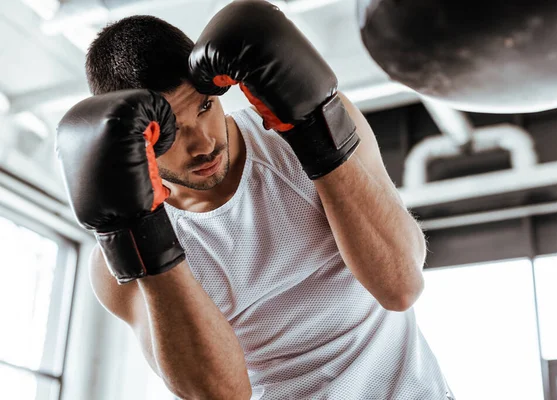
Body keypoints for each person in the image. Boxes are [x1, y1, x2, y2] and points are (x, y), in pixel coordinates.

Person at [57, 1, 453, 398]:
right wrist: (144, 238)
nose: (204, 144)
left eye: (205, 107)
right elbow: (219, 395)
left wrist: (316, 136)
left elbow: (400, 285)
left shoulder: (293, 137)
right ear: (134, 140)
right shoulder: (115, 267)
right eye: (171, 132)